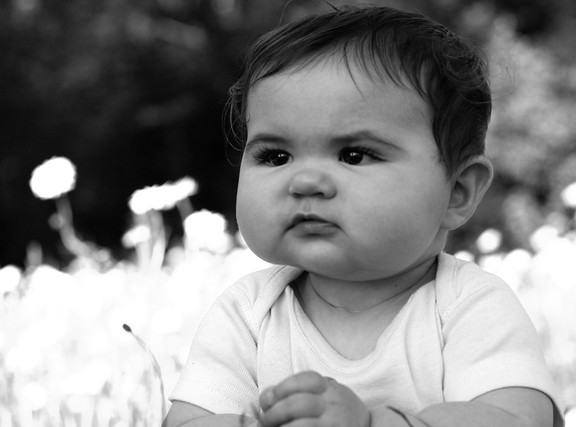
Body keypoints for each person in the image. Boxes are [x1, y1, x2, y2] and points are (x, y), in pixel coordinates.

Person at [163, 5, 564, 427]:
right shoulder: (247, 315)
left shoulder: (469, 308)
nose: (306, 181)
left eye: (353, 155)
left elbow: (515, 419)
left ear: (457, 192)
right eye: (276, 155)